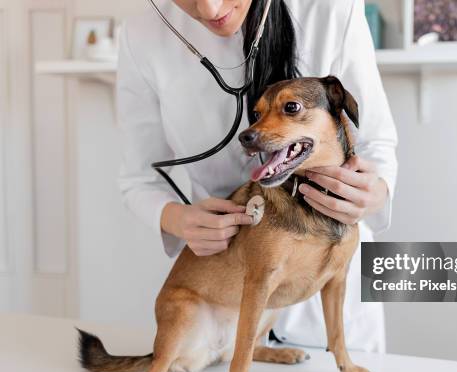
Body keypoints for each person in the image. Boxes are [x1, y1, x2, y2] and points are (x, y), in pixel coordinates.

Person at [117, 0, 398, 353]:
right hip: (223, 303)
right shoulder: (142, 37)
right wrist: (179, 219)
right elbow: (138, 179)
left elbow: (375, 143)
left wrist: (375, 192)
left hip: (328, 294)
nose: (209, 8)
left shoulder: (331, 10)